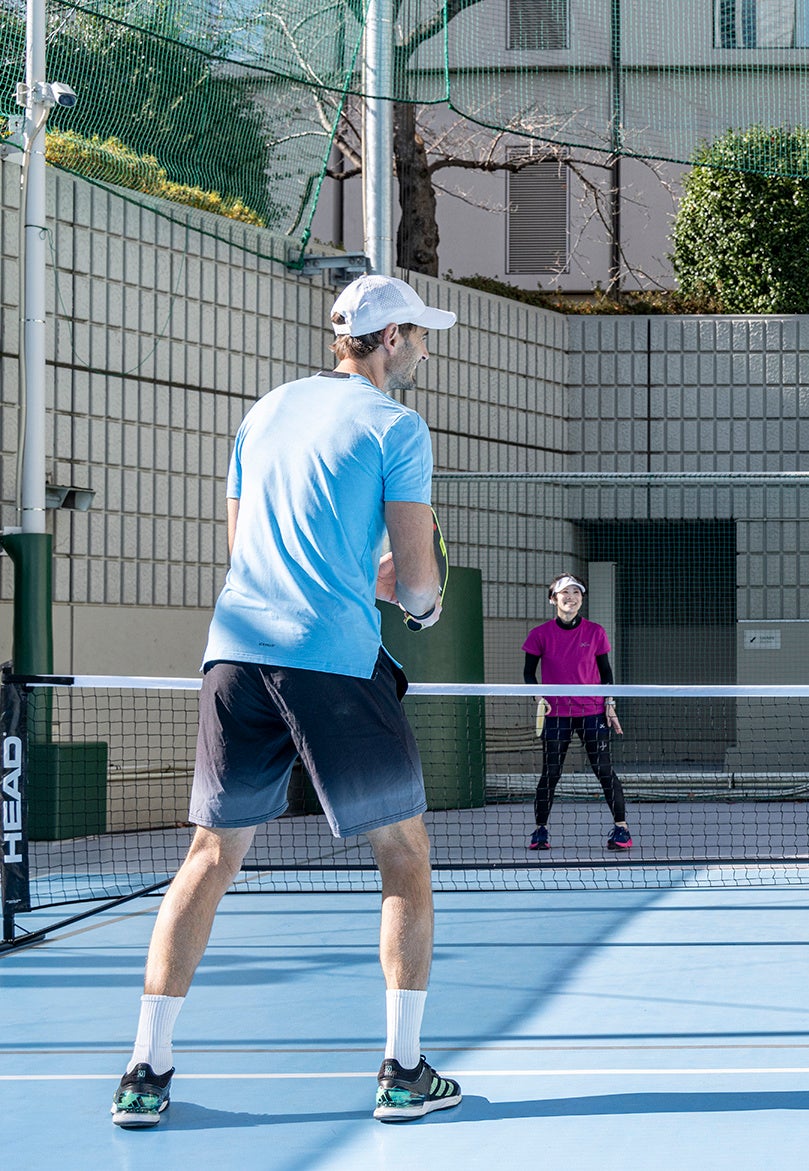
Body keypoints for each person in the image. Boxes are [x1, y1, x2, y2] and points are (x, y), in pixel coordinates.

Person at [110, 274, 464, 1128]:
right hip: (332, 664)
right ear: (386, 342)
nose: (424, 345)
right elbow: (415, 582)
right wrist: (418, 602)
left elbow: (247, 547)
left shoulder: (263, 411)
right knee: (404, 856)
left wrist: (348, 576)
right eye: (416, 333)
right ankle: (403, 1071)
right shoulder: (397, 427)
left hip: (233, 655)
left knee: (207, 856)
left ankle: (143, 1073)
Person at [524, 573, 630, 851]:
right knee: (551, 772)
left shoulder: (596, 632)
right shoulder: (539, 635)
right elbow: (528, 673)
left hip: (592, 712)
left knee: (604, 770)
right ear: (553, 599)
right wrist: (539, 698)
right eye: (564, 593)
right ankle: (540, 831)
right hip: (556, 714)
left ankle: (622, 830)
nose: (570, 597)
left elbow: (606, 673)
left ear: (581, 599)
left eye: (576, 593)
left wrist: (610, 703)